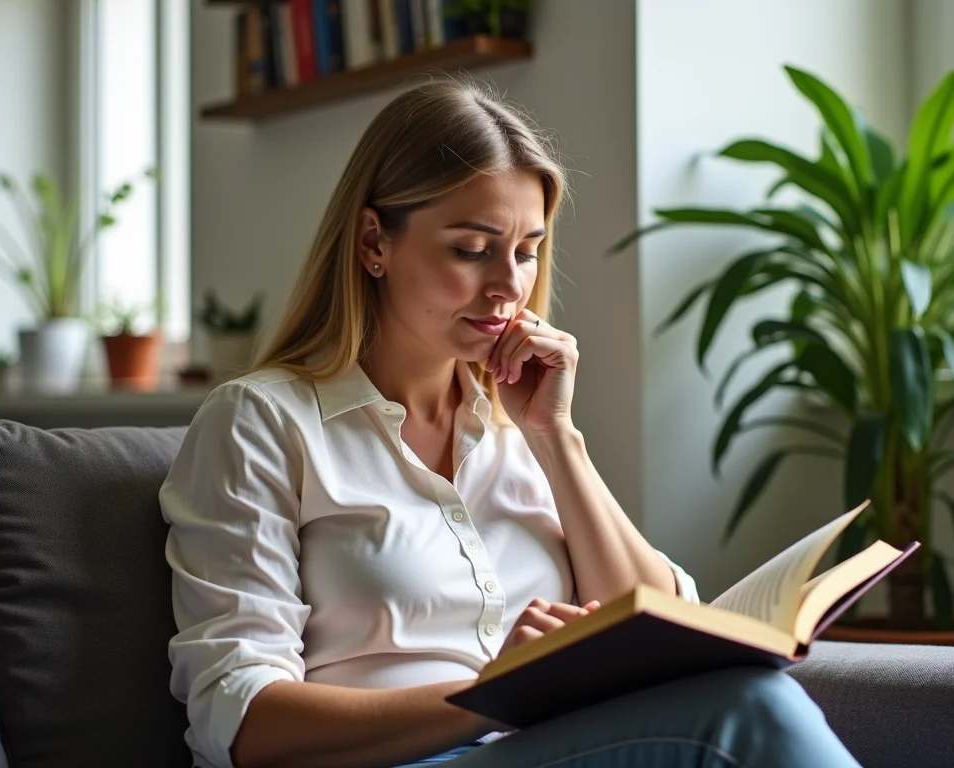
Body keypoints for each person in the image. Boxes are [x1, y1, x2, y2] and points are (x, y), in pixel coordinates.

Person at [160, 79, 861, 768]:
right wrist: (497, 692)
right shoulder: (261, 423)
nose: (508, 286)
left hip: (544, 747)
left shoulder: (516, 430)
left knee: (745, 691)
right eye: (471, 249)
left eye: (526, 250)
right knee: (748, 713)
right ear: (374, 241)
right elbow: (242, 722)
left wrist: (557, 440)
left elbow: (654, 626)